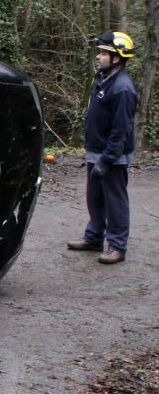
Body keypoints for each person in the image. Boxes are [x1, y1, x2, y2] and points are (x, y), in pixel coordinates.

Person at [67, 30, 138, 264]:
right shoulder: (103, 80)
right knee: (94, 196)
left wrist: (107, 160)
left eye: (103, 53)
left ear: (117, 58)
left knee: (115, 199)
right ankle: (94, 237)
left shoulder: (123, 88)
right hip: (96, 151)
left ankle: (117, 246)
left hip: (112, 157)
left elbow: (121, 130)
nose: (98, 56)